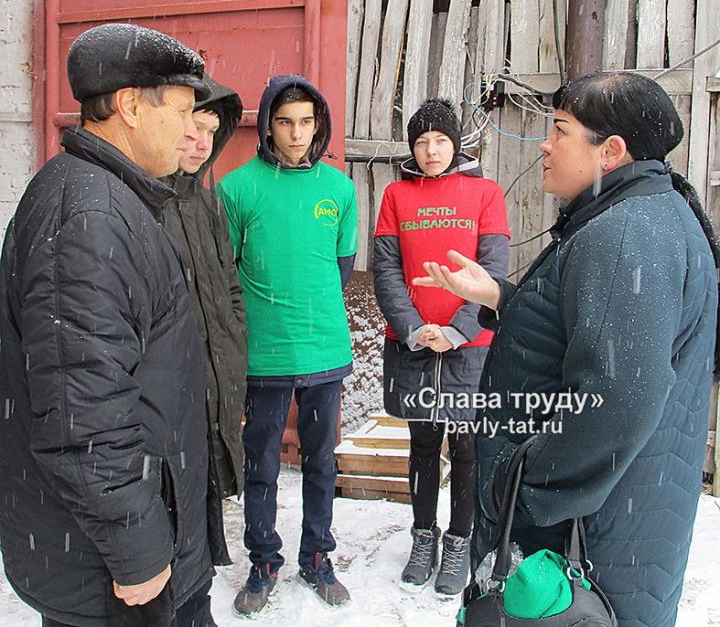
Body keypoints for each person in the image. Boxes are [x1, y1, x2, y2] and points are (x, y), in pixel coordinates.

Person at [414, 72, 719, 626]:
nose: (545, 146)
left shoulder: (625, 235)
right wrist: (503, 298)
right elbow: (594, 337)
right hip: (618, 529)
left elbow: (616, 402)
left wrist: (519, 486)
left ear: (612, 151)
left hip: (584, 547)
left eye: (559, 130)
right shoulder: (644, 215)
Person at [0, 23, 221, 626]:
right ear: (128, 106)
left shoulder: (111, 197)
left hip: (128, 550)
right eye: (179, 109)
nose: (189, 128)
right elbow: (82, 413)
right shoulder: (88, 215)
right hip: (114, 577)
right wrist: (139, 555)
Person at [217, 75, 358, 615]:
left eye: (306, 121)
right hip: (266, 356)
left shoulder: (339, 190)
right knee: (263, 465)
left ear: (318, 123)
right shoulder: (238, 189)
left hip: (324, 352)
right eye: (285, 122)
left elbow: (341, 269)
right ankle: (263, 561)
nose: (297, 134)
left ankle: (318, 557)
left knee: (322, 462)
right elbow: (226, 276)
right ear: (267, 126)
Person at [373, 99, 510, 595]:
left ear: (456, 145)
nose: (431, 151)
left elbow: (493, 270)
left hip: (470, 344)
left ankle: (459, 541)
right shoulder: (396, 195)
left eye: (441, 141)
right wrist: (413, 327)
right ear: (411, 146)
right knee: (423, 444)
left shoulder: (485, 194)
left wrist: (455, 329)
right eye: (422, 141)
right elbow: (386, 270)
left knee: (468, 448)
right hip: (412, 341)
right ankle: (422, 537)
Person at [162, 75, 248, 529]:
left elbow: (230, 288)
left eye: (212, 133)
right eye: (192, 130)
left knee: (205, 515)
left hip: (220, 384)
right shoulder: (142, 204)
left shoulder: (209, 204)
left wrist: (235, 355)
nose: (201, 145)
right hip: (174, 397)